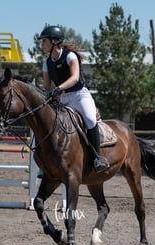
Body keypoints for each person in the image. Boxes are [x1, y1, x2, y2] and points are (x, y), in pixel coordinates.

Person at [39, 25, 109, 172]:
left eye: (44, 41)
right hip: (64, 98)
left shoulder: (70, 56)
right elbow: (46, 87)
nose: (42, 44)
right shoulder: (46, 63)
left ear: (54, 42)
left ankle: (97, 158)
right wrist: (46, 97)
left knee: (90, 120)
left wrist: (58, 89)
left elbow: (75, 78)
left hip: (80, 95)